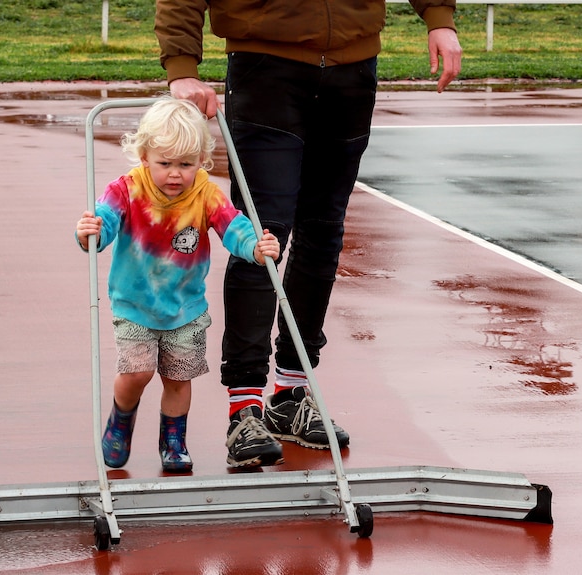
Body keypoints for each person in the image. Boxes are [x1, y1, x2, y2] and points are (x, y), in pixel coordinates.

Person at [154, 0, 463, 468]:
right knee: (262, 239)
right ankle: (244, 407)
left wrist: (439, 19)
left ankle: (292, 394)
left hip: (353, 71)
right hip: (265, 67)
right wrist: (182, 67)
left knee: (323, 235)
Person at [76, 97, 281, 472]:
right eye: (165, 164)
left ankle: (173, 439)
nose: (175, 174)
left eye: (186, 165)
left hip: (185, 306)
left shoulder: (203, 191)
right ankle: (121, 418)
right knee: (138, 372)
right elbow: (104, 219)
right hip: (135, 303)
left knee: (177, 377)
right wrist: (92, 232)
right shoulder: (127, 189)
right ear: (144, 157)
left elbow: (232, 224)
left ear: (200, 161)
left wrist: (254, 246)